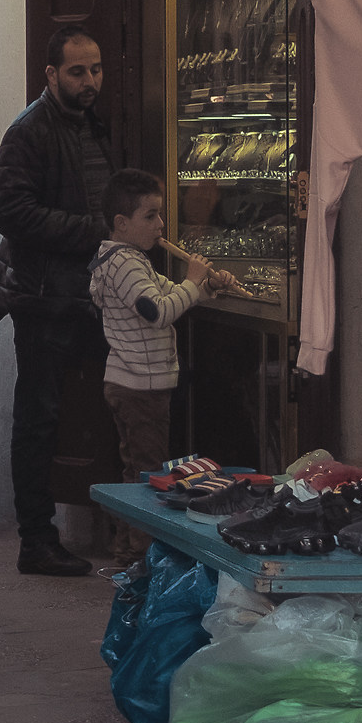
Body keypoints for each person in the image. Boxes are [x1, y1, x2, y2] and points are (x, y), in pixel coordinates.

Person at [0, 26, 113, 577]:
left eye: (96, 70)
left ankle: (113, 524)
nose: (90, 82)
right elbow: (11, 213)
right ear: (51, 74)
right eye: (77, 72)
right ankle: (35, 539)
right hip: (44, 300)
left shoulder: (95, 124)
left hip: (89, 295)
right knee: (39, 418)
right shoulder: (29, 132)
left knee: (95, 410)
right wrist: (90, 231)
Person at [87, 169, 231, 562]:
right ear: (121, 223)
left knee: (138, 471)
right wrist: (192, 281)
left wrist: (206, 287)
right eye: (150, 216)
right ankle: (141, 554)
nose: (161, 224)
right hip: (137, 387)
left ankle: (128, 546)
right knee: (148, 475)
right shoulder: (125, 264)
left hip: (139, 384)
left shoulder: (131, 260)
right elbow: (157, 310)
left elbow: (170, 294)